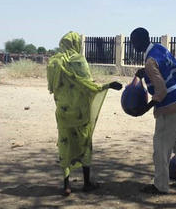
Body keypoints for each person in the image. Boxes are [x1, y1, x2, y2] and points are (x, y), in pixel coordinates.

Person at [47, 32, 123, 196]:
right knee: (85, 143)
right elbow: (89, 85)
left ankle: (66, 185)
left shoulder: (53, 63)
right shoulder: (78, 60)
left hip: (63, 112)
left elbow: (51, 88)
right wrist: (108, 86)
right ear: (75, 44)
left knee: (65, 144)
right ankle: (87, 183)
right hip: (80, 113)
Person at [131, 27, 176, 194]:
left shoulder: (149, 61)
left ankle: (160, 185)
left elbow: (161, 90)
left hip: (168, 107)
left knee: (161, 147)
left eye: (133, 42)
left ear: (140, 41)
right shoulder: (160, 49)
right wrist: (145, 72)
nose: (132, 45)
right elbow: (164, 70)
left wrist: (146, 107)